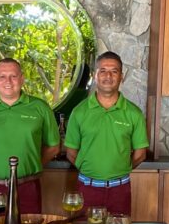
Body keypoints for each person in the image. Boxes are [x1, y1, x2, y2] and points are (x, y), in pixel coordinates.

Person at [0, 58, 60, 215]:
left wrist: (33, 164)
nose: (8, 81)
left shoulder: (40, 108)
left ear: (22, 79)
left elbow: (54, 146)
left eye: (13, 76)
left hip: (28, 186)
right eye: (2, 76)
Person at [64, 51, 149, 215]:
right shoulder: (79, 112)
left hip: (120, 191)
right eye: (103, 71)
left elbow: (140, 154)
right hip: (87, 190)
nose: (108, 76)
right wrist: (91, 171)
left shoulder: (134, 113)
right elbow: (71, 152)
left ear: (121, 77)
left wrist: (119, 169)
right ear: (95, 76)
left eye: (114, 71)